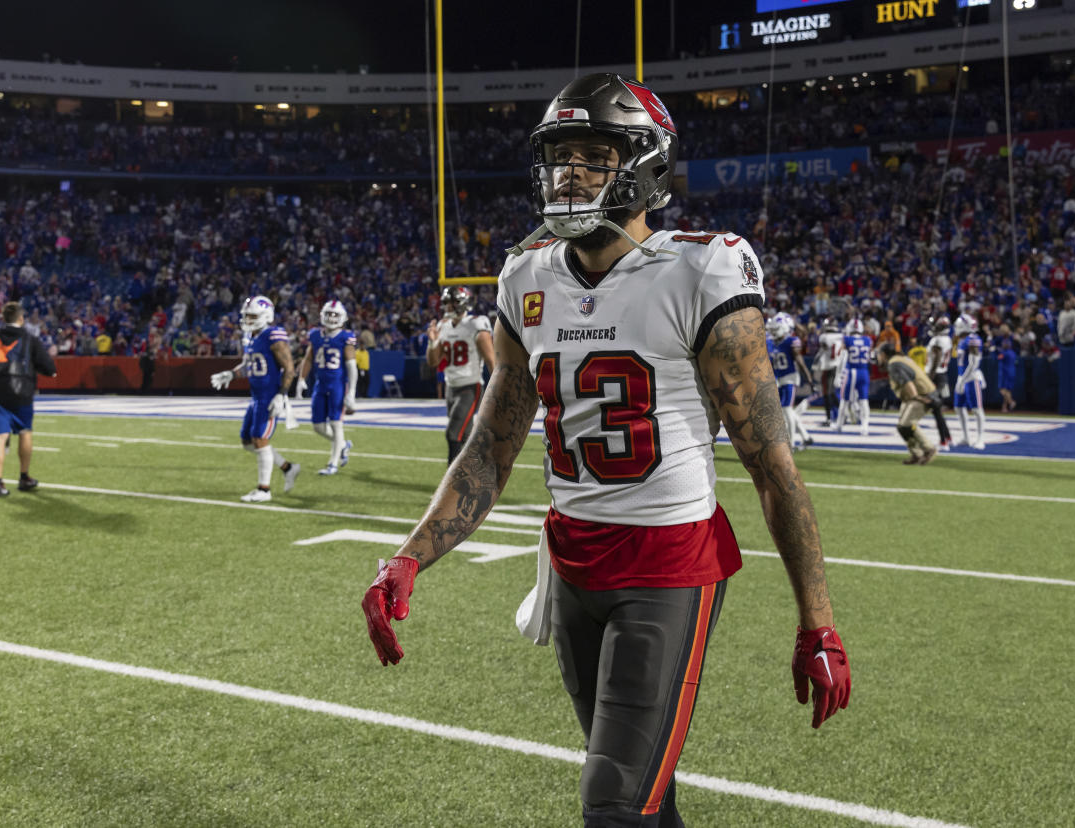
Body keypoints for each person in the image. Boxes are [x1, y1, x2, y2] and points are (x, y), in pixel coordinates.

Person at [361, 73, 850, 826]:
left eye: (593, 154)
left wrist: (816, 621)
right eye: (560, 156)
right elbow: (491, 448)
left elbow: (770, 463)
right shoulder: (527, 273)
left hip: (666, 564)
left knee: (613, 803)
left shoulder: (701, 267)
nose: (570, 173)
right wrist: (407, 556)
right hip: (571, 564)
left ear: (646, 163)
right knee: (643, 797)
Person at [210, 295, 301, 502]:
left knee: (260, 439)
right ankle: (288, 468)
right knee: (247, 441)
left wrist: (281, 395)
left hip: (270, 396)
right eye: (246, 316)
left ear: (266, 316)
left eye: (252, 316)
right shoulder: (251, 337)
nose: (248, 320)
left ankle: (264, 489)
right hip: (255, 397)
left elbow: (289, 368)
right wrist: (232, 374)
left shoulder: (274, 335)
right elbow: (249, 365)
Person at [0, 301, 57, 497]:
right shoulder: (30, 338)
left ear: (3, 318)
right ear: (21, 319)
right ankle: (24, 477)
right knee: (25, 432)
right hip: (21, 393)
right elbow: (49, 368)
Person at [426, 286, 495, 462]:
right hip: (451, 386)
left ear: (463, 303)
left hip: (470, 387)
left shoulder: (476, 323)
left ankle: (452, 485)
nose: (448, 307)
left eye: (452, 303)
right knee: (465, 436)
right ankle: (475, 475)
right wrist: (433, 343)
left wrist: (498, 390)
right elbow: (433, 362)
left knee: (453, 433)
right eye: (446, 303)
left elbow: (491, 360)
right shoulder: (442, 325)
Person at [296, 299, 357, 475]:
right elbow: (308, 358)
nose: (331, 317)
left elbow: (352, 367)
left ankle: (333, 463)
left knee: (336, 424)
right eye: (328, 314)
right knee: (318, 426)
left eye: (335, 314)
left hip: (337, 385)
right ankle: (343, 445)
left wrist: (351, 392)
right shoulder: (315, 335)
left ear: (343, 317)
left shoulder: (345, 337)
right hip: (320, 385)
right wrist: (301, 378)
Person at [875, 342, 938, 465]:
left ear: (883, 354)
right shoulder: (900, 359)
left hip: (921, 395)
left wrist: (917, 398)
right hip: (916, 395)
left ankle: (929, 448)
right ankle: (917, 454)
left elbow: (908, 383)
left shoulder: (894, 364)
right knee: (902, 427)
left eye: (879, 355)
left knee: (906, 424)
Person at [766, 312, 813, 450]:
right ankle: (806, 437)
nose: (773, 331)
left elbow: (800, 362)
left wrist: (809, 379)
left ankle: (790, 443)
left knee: (786, 410)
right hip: (778, 379)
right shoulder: (769, 342)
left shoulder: (791, 341)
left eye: (776, 329)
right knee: (787, 411)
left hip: (789, 378)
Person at [953, 313, 987, 449]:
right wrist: (960, 379)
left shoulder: (973, 339)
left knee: (977, 410)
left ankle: (980, 439)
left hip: (971, 378)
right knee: (958, 407)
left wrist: (963, 380)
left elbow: (973, 363)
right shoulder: (962, 340)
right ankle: (966, 437)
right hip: (962, 377)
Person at [835, 318, 873, 436]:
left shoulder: (846, 339)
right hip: (864, 372)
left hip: (851, 372)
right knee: (864, 400)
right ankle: (865, 427)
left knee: (844, 400)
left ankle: (839, 425)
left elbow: (839, 353)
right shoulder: (868, 340)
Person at [924, 316, 955, 450]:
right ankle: (948, 437)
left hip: (935, 376)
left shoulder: (937, 340)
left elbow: (936, 359)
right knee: (937, 410)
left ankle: (944, 441)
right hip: (942, 375)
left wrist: (929, 377)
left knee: (936, 410)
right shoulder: (947, 339)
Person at [815, 318, 843, 426]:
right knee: (830, 393)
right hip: (836, 366)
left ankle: (830, 418)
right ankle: (841, 414)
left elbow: (825, 347)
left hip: (828, 367)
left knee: (828, 393)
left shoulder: (824, 337)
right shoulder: (840, 337)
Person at [992, 324, 1019, 413]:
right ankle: (1004, 407)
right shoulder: (1012, 352)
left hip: (1005, 372)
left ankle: (1011, 402)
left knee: (1002, 390)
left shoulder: (1004, 353)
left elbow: (996, 357)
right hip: (1012, 372)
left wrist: (994, 351)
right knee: (1008, 390)